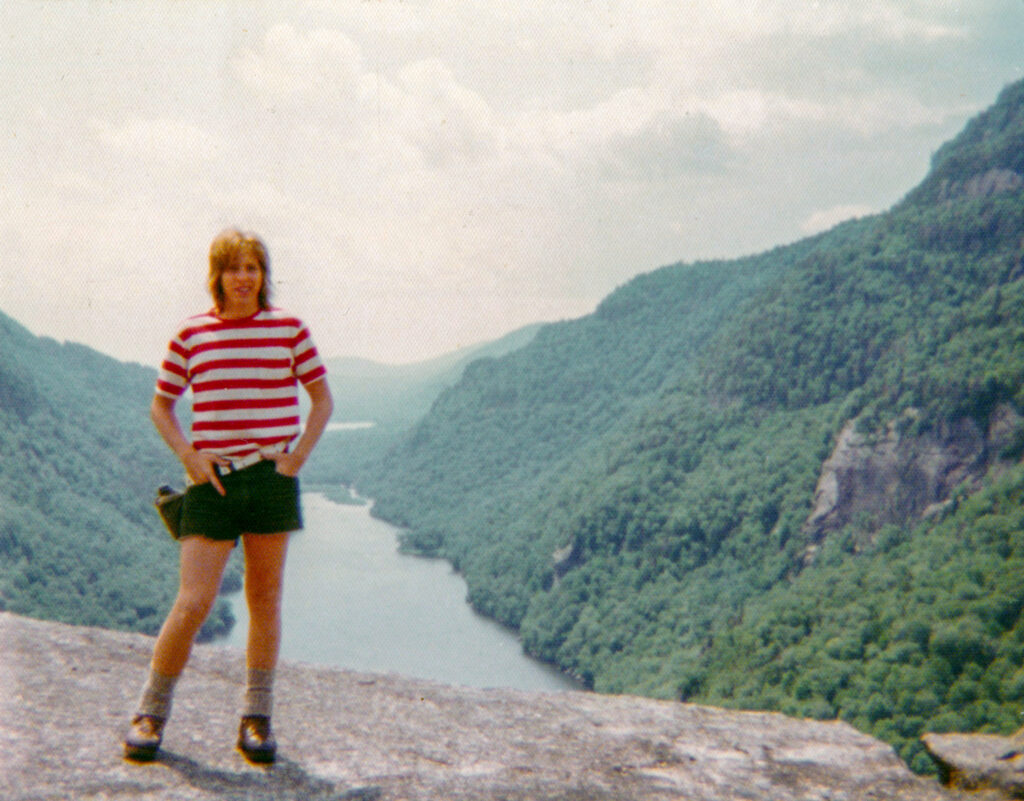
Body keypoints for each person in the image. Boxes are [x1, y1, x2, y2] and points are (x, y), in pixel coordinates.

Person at [124, 229, 334, 764]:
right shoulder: (191, 334)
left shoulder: (288, 328)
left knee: (264, 599)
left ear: (264, 275)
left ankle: (256, 718)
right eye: (234, 268)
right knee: (193, 602)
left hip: (269, 479)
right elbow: (161, 406)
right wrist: (189, 457)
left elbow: (322, 400)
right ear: (215, 275)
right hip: (212, 481)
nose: (244, 278)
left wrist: (295, 460)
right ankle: (149, 712)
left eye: (253, 268)